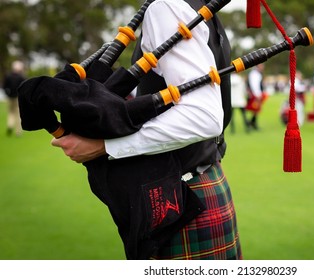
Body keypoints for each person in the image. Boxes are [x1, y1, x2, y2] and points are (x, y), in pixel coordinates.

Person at [51, 0, 241, 260]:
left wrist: (104, 146)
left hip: (178, 198)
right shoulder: (196, 5)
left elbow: (204, 116)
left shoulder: (166, 6)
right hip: (199, 184)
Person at [3, 60, 26, 137]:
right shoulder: (21, 77)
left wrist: (7, 94)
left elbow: (4, 86)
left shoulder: (8, 76)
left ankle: (10, 125)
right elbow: (24, 88)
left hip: (10, 97)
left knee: (10, 113)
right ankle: (18, 132)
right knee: (18, 114)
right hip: (17, 98)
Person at [245, 63, 266, 130]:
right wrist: (258, 94)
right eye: (261, 65)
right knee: (254, 109)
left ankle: (252, 122)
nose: (263, 67)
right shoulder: (255, 74)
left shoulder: (256, 73)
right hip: (255, 94)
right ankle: (250, 122)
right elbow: (254, 85)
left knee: (255, 110)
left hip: (256, 94)